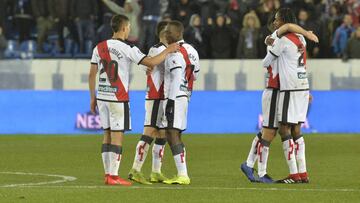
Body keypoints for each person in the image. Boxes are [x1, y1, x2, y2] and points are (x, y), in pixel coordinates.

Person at [88, 14, 179, 186]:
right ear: (123, 28)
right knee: (117, 135)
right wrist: (168, 50)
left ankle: (108, 174)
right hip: (118, 98)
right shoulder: (128, 48)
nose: (129, 29)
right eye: (129, 27)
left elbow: (91, 74)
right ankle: (114, 176)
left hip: (102, 97)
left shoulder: (98, 47)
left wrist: (92, 97)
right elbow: (151, 61)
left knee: (106, 134)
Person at [241, 18, 318, 183]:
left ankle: (250, 165)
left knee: (269, 131)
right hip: (273, 91)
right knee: (269, 131)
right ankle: (260, 173)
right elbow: (268, 63)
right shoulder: (278, 42)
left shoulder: (280, 42)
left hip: (281, 90)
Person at [263, 8, 310, 184]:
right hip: (303, 85)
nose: (275, 22)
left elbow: (266, 62)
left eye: (277, 20)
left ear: (284, 21)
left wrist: (269, 44)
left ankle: (293, 174)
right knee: (297, 129)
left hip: (289, 88)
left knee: (284, 129)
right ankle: (303, 173)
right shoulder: (301, 38)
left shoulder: (282, 40)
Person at [128, 21, 169, 185]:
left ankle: (156, 172)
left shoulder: (166, 50)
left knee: (162, 134)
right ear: (164, 33)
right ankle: (135, 170)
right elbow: (150, 66)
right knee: (149, 132)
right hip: (155, 96)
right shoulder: (157, 48)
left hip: (163, 97)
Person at [161, 20, 200, 185]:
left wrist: (170, 101)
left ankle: (183, 174)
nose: (166, 34)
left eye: (169, 32)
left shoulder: (175, 53)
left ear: (177, 33)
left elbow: (177, 76)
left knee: (172, 133)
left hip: (175, 97)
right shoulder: (192, 50)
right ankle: (182, 173)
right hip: (185, 95)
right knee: (174, 133)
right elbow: (195, 74)